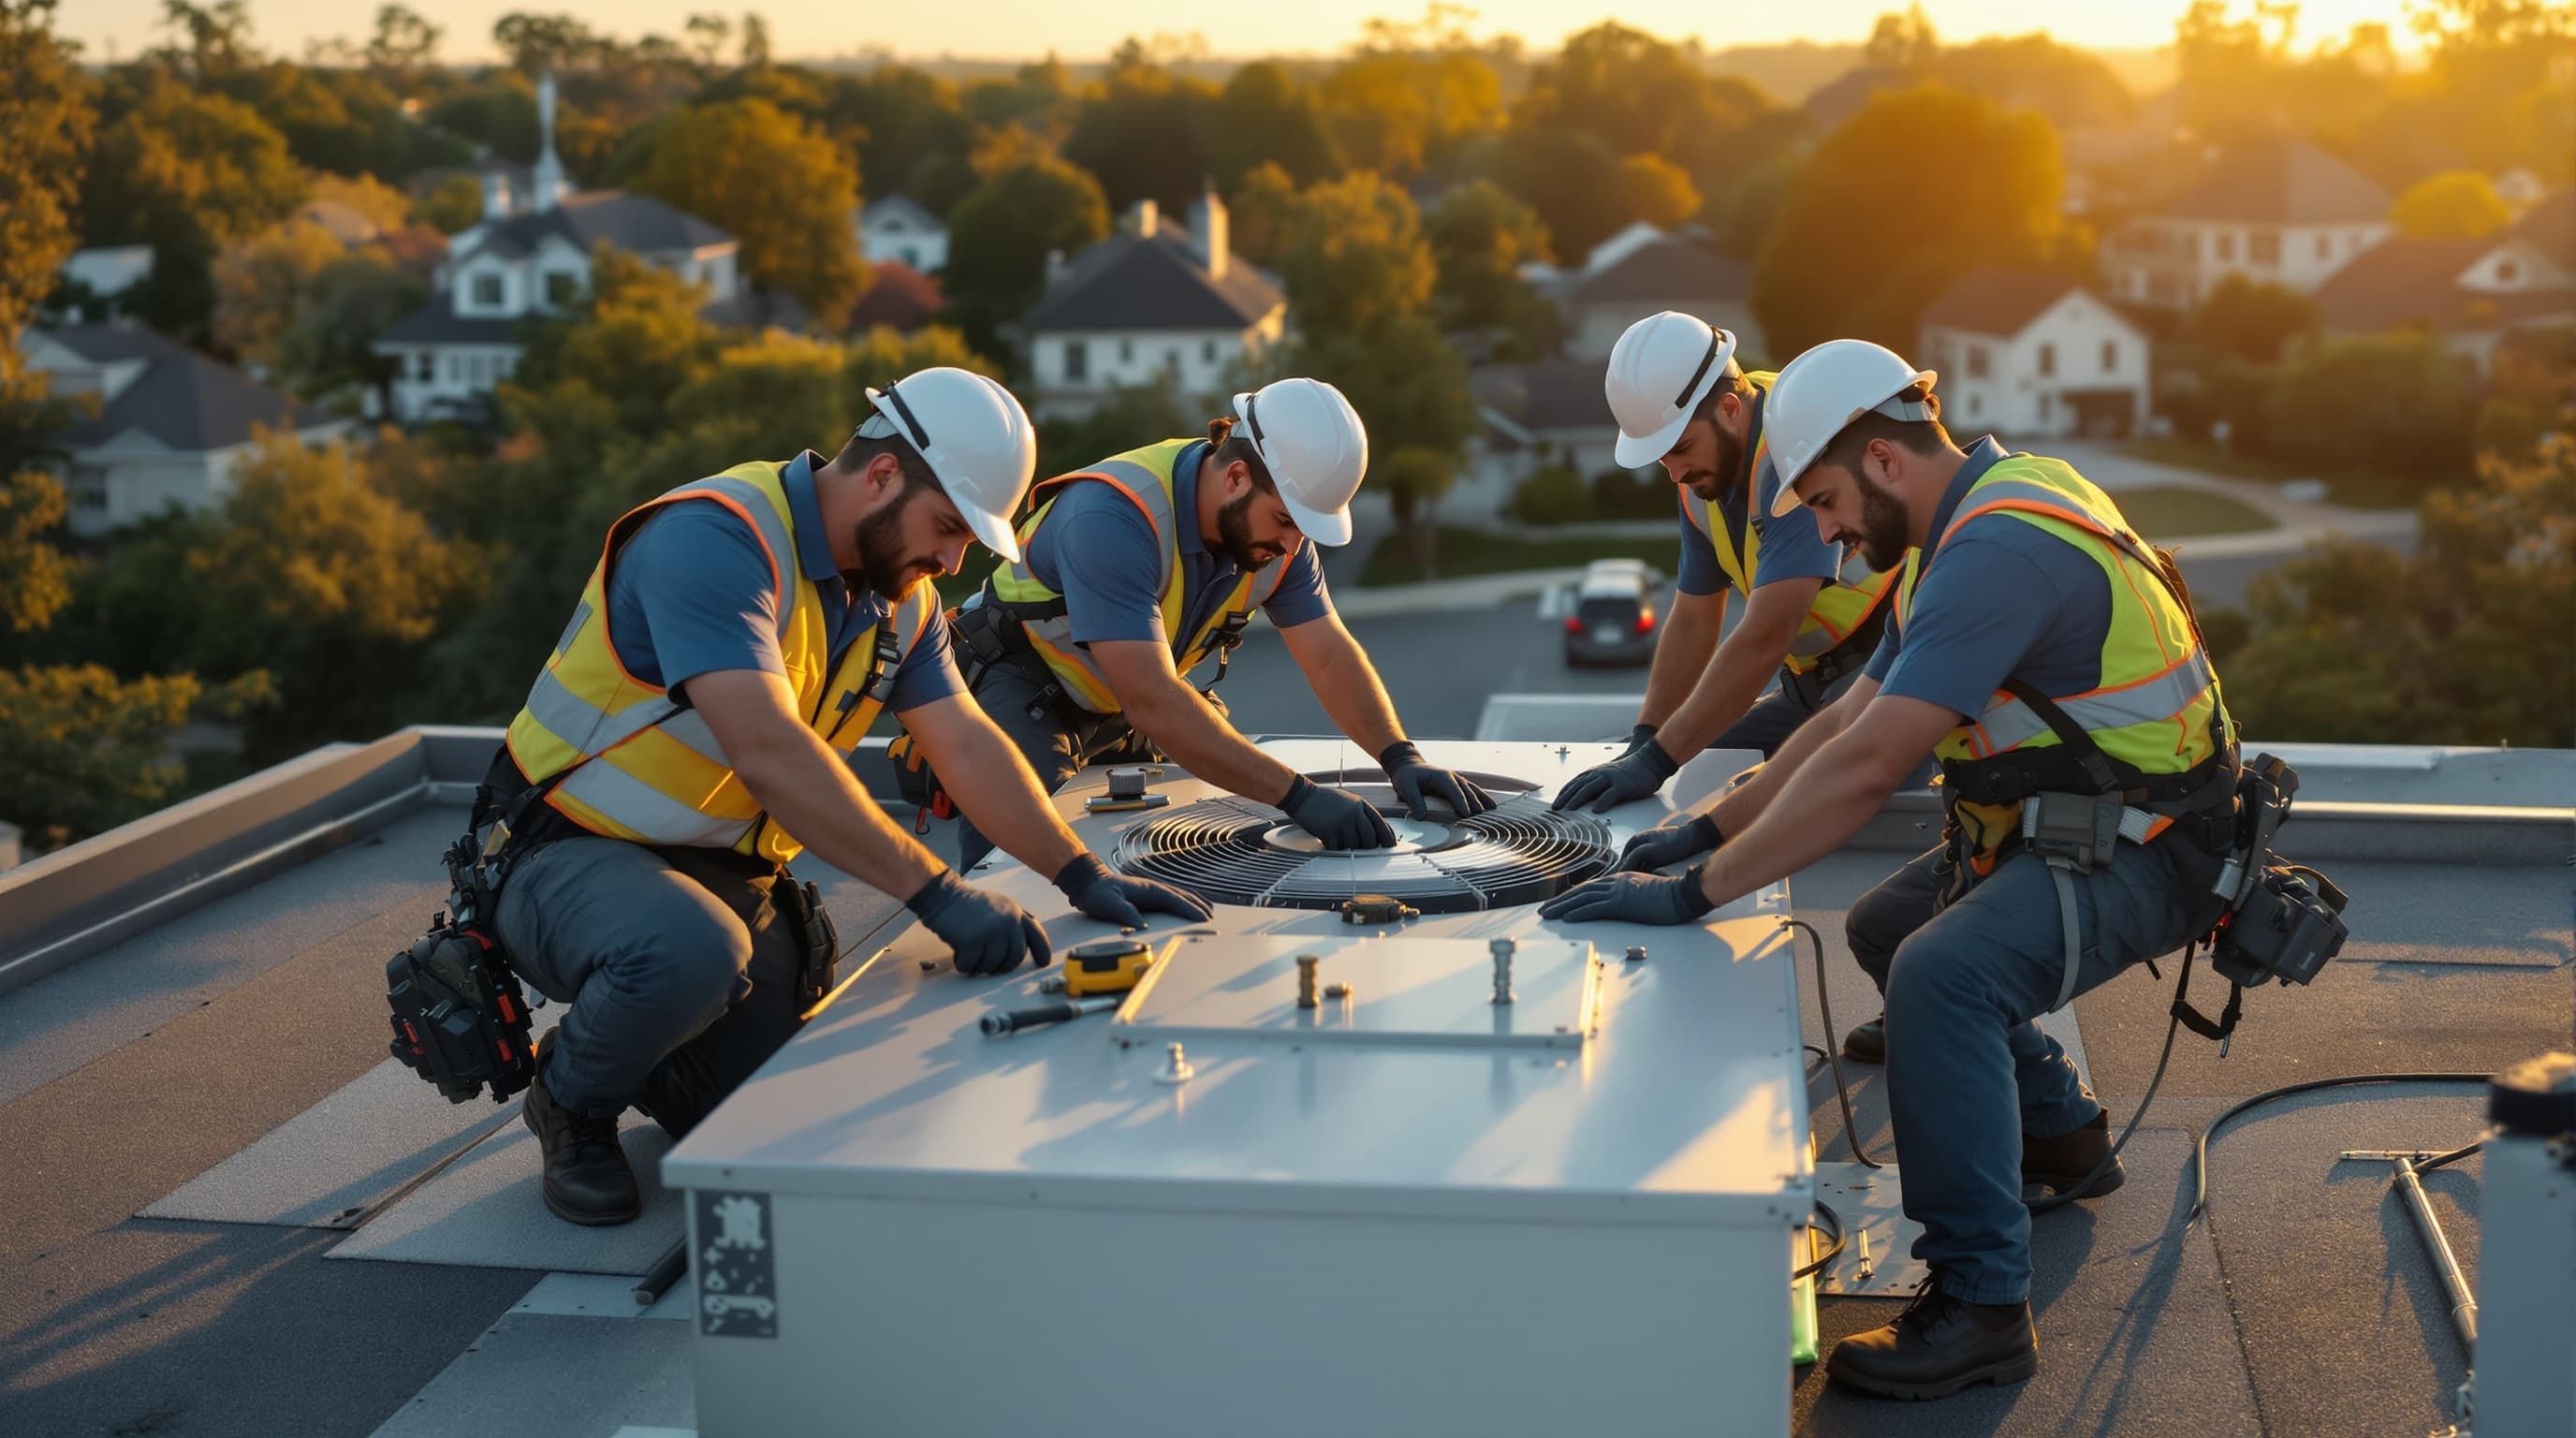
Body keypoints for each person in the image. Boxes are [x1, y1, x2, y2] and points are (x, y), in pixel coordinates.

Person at [1537, 339, 2240, 1401]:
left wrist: (1693, 896)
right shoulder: (1968, 517)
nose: (1821, 533)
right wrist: (1706, 829)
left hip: (2150, 850)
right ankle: (2061, 1134)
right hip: (2083, 823)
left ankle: (1980, 1308)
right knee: (1882, 930)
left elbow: (1868, 768)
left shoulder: (1993, 555)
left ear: (1880, 461)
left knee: (1941, 976)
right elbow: (1849, 715)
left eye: (1822, 500)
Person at [476, 367, 1209, 1226]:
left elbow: (967, 742)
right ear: (883, 474)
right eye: (947, 528)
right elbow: (767, 752)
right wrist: (937, 894)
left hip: (715, 870)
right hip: (563, 852)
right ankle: (570, 1101)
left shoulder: (900, 600)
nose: (951, 559)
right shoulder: (716, 540)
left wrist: (1079, 873)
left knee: (777, 1120)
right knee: (692, 955)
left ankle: (629, 1034)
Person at [916, 375, 1493, 868]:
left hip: (1122, 697)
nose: (1294, 543)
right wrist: (1299, 797)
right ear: (1237, 475)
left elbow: (1328, 654)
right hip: (1023, 684)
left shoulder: (1277, 537)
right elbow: (1154, 700)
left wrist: (1399, 756)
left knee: (1194, 834)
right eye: (1286, 521)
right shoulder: (1114, 517)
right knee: (1024, 854)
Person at [1551, 312, 1901, 817]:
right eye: (1661, 457)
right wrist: (1646, 740)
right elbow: (1694, 620)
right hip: (1811, 688)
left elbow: (1766, 635)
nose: (1674, 472)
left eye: (1682, 448)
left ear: (1731, 409)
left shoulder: (1794, 448)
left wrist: (1655, 763)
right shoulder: (1700, 477)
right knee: (1700, 769)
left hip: (1887, 674)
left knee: (1777, 802)